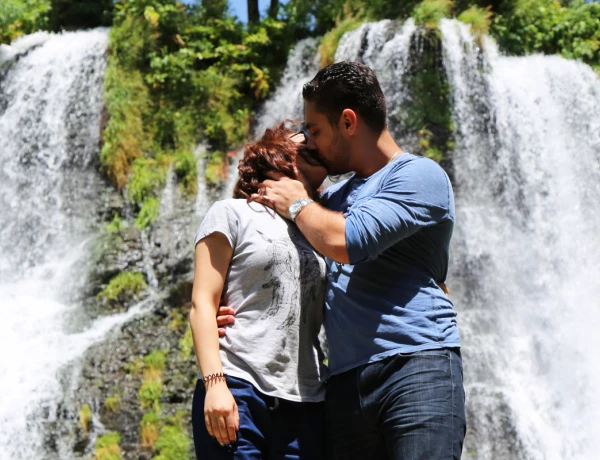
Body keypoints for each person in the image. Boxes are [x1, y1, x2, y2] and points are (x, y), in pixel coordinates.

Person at [251, 61, 466, 459]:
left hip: (415, 368)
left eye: (315, 130)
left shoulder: (420, 175)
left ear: (348, 122)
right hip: (343, 384)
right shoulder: (327, 204)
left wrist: (298, 201)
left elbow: (349, 240)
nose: (310, 141)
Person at [189, 123, 329, 460]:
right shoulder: (232, 213)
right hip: (238, 387)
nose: (316, 141)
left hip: (308, 401)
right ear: (274, 152)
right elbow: (202, 305)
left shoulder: (322, 227)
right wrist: (215, 384)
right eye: (305, 136)